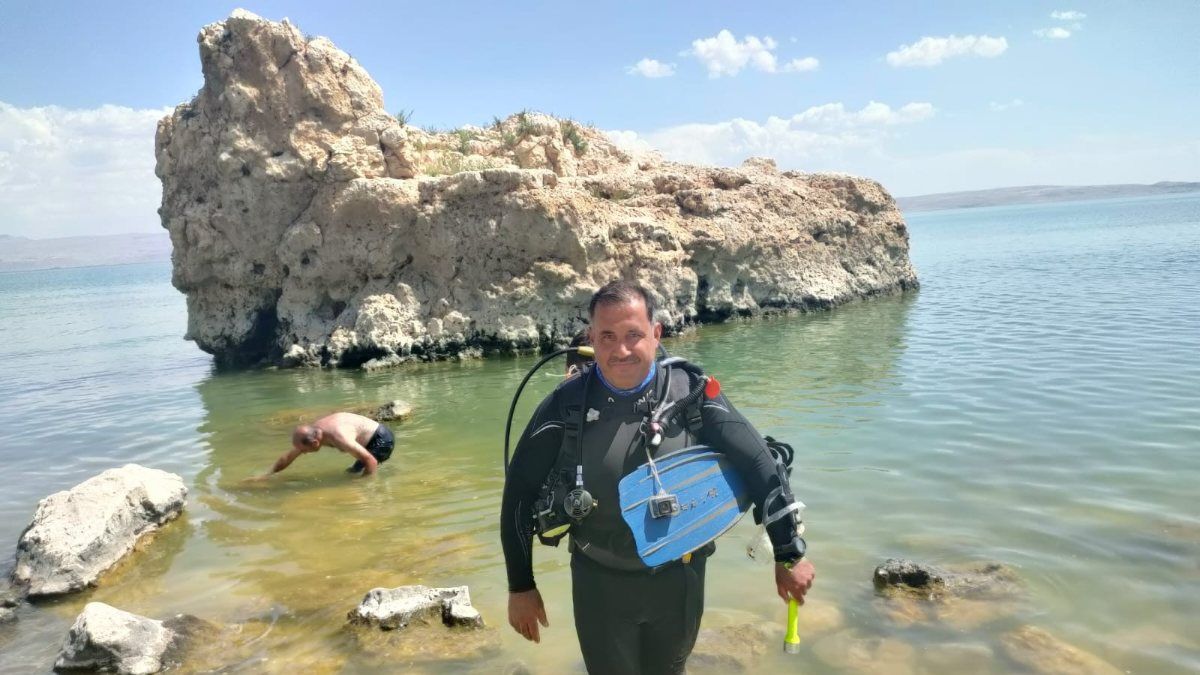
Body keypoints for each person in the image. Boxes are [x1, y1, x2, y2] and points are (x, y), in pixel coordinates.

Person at [500, 280, 814, 674]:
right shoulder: (564, 406)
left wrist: (788, 554)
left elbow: (759, 462)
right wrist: (520, 587)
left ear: (656, 333)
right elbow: (519, 494)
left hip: (680, 579)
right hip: (599, 583)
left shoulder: (692, 393)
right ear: (592, 339)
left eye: (633, 334)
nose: (621, 350)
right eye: (608, 336)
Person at [256, 412, 393, 478]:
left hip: (381, 440)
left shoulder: (338, 437)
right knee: (351, 473)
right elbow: (288, 457)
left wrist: (364, 488)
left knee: (355, 476)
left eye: (304, 451)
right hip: (367, 439)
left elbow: (371, 461)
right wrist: (266, 475)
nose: (303, 453)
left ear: (315, 443)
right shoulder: (311, 434)